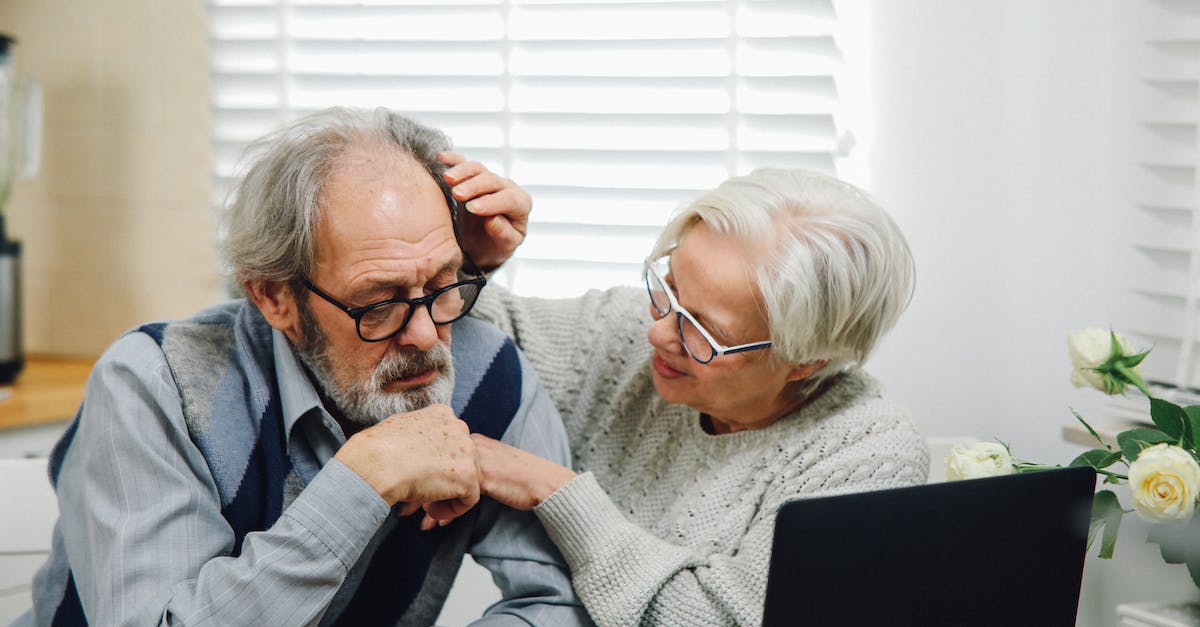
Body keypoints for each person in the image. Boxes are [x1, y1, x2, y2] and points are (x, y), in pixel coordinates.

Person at [19, 107, 592, 626]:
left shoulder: (487, 371)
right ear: (274, 297)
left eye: (443, 282)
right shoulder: (154, 386)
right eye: (379, 302)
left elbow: (560, 604)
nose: (425, 335)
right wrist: (364, 482)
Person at [465, 167, 930, 626]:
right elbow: (476, 337)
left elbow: (723, 620)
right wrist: (469, 260)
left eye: (705, 330)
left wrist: (555, 492)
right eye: (669, 287)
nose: (657, 333)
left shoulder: (866, 455)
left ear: (804, 360)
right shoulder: (631, 331)